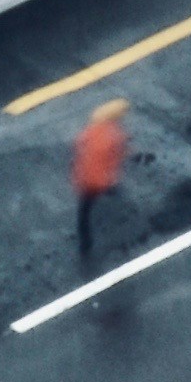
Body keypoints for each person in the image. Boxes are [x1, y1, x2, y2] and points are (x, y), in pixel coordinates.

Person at [70, 94, 132, 267]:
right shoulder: (116, 136)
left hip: (86, 179)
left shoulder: (89, 132)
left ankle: (85, 243)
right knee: (106, 189)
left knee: (84, 213)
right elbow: (119, 155)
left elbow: (78, 145)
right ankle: (113, 191)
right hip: (102, 180)